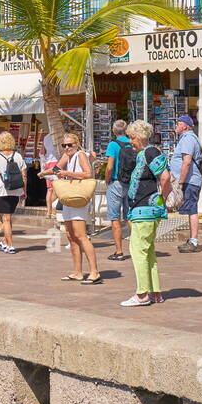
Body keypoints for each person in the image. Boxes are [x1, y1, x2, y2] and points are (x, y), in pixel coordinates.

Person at [119, 120, 173, 307]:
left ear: (140, 137)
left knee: (138, 252)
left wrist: (161, 199)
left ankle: (142, 294)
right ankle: (154, 292)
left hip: (145, 210)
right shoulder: (145, 153)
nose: (130, 142)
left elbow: (165, 177)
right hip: (144, 210)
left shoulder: (150, 152)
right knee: (148, 253)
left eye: (132, 138)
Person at [47, 131, 101, 284]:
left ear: (76, 144)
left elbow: (87, 173)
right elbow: (57, 168)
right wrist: (49, 172)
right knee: (71, 236)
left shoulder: (80, 155)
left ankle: (94, 271)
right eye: (64, 145)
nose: (67, 148)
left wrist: (67, 172)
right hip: (69, 197)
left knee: (81, 236)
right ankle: (77, 271)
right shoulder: (69, 156)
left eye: (70, 145)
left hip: (78, 198)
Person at [170, 115, 202, 253]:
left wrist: (180, 182)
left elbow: (186, 162)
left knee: (192, 209)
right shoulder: (188, 138)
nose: (176, 126)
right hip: (190, 180)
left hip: (190, 181)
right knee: (190, 208)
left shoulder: (188, 139)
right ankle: (192, 240)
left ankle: (194, 241)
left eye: (178, 123)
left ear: (185, 126)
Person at [0, 130, 26, 254]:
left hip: (3, 190)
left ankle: (10, 245)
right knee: (8, 218)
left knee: (6, 219)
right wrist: (24, 191)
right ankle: (4, 242)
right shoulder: (18, 156)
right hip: (16, 190)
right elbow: (24, 175)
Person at [102, 119, 133, 262]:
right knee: (130, 217)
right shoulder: (132, 143)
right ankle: (135, 247)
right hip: (131, 183)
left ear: (114, 131)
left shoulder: (113, 145)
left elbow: (109, 166)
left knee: (115, 218)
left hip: (116, 183)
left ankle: (119, 251)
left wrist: (107, 180)